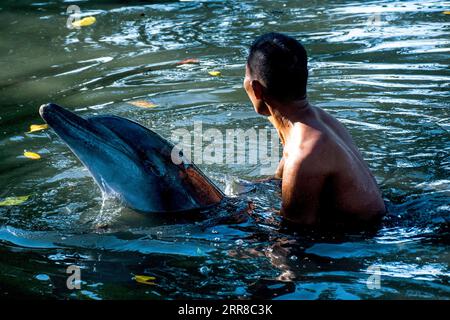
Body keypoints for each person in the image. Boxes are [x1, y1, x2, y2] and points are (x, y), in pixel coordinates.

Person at [243, 32, 386, 229]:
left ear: (256, 89)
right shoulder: (316, 122)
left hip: (366, 239)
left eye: (245, 76)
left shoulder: (304, 152)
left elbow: (291, 239)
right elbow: (278, 182)